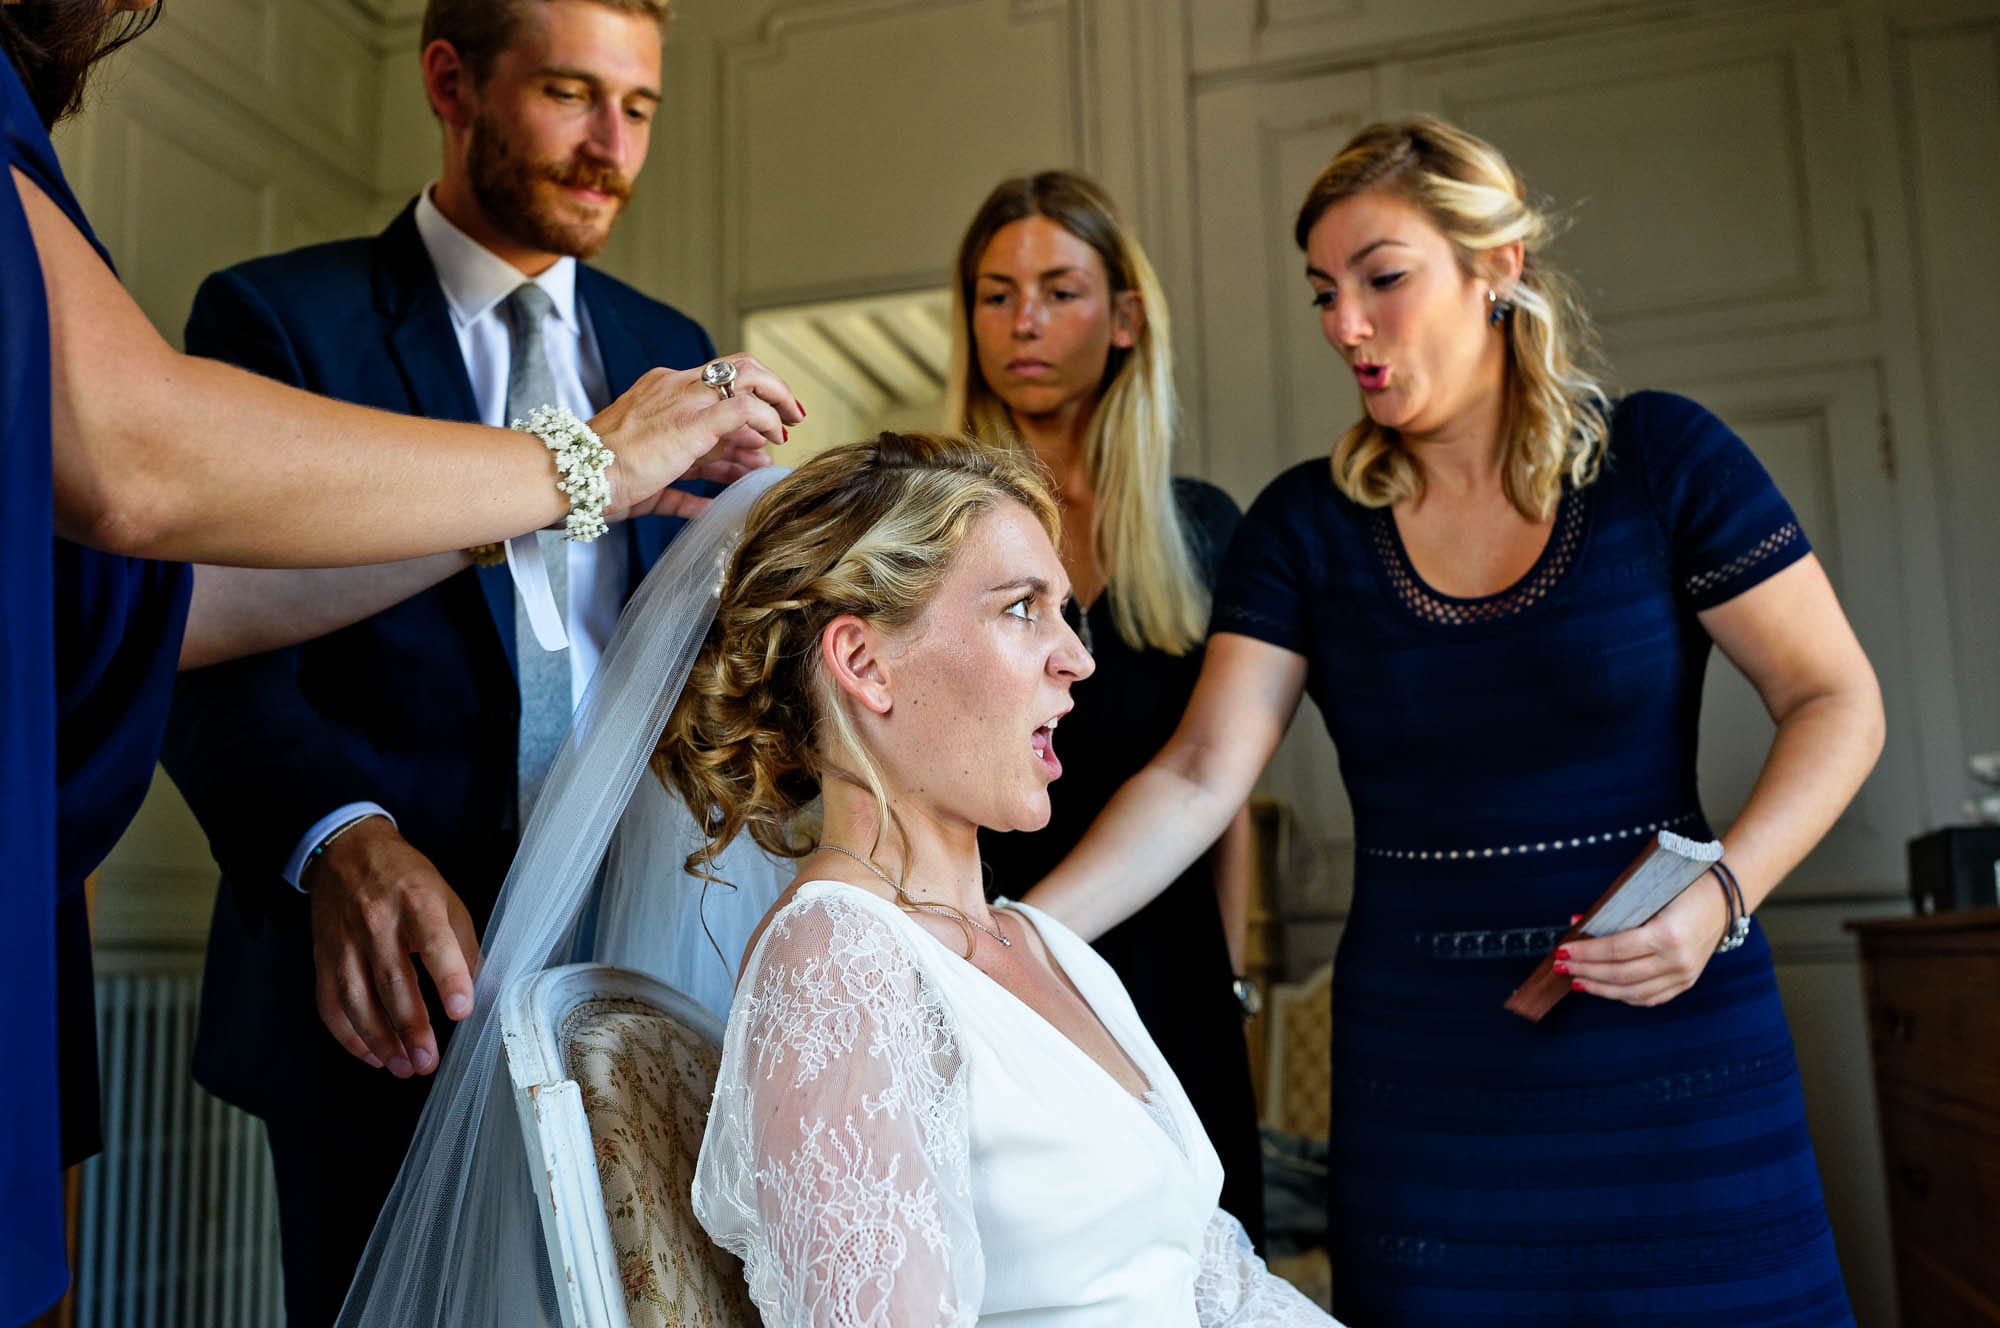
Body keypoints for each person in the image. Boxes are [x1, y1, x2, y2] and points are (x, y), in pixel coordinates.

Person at [0, 3, 799, 1318]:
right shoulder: (280, 312)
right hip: (380, 988)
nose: (612, 147)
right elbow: (185, 625)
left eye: (639, 108)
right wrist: (337, 837)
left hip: (628, 967)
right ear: (450, 81)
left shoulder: (670, 341)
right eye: (566, 93)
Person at [1024, 117, 1883, 1325]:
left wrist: (1722, 895)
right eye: (1324, 292)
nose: (1342, 324)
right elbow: (1199, 771)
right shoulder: (1301, 527)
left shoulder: (1661, 459)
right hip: (1427, 1082)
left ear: (1499, 266)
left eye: (1382, 278)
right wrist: (1012, 934)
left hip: (1681, 1052)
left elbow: (1832, 698)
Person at [655, 432, 1331, 1324]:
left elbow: (1220, 1288)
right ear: (864, 664)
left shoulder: (1049, 947)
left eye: (1063, 609)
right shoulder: (835, 969)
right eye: (1021, 609)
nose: (1077, 659)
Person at [946, 169, 1263, 1242]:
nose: (1021, 321)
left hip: (1168, 974)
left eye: (1057, 290)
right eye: (993, 294)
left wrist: (1231, 983)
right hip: (986, 962)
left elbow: (1216, 788)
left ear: (1125, 318)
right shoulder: (927, 528)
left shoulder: (1203, 530)